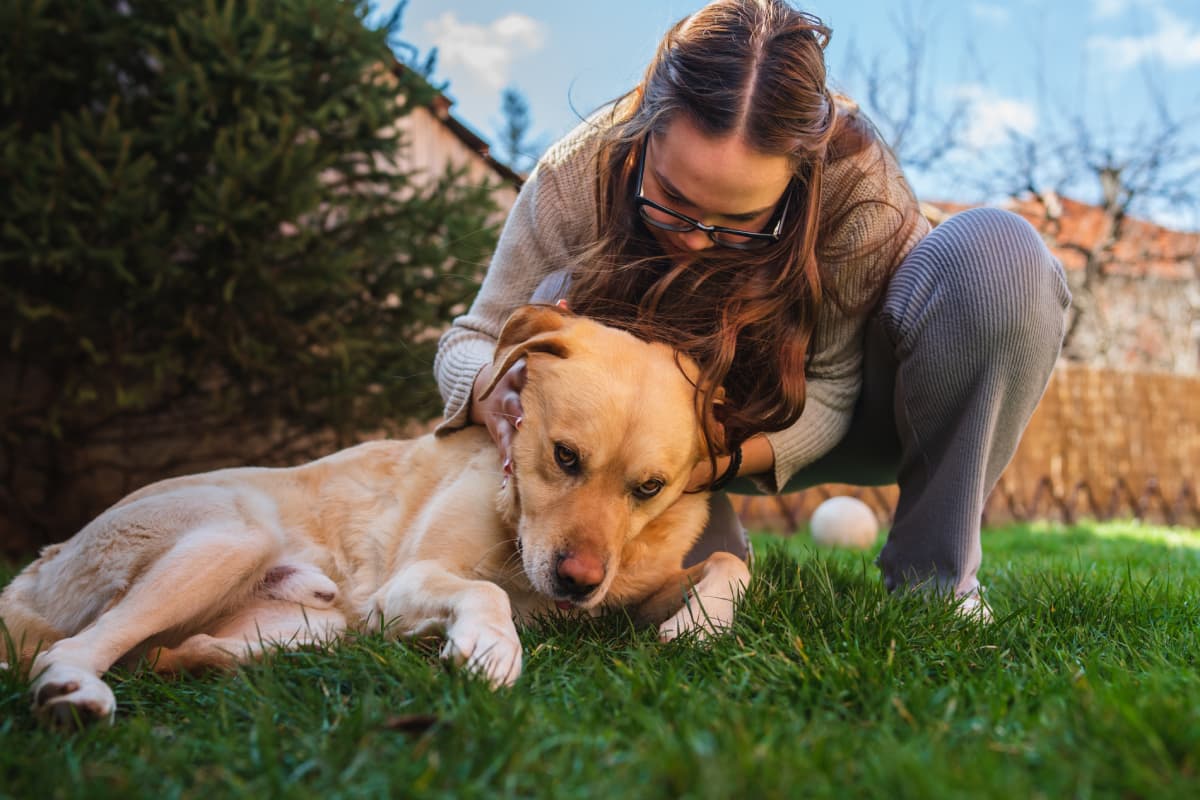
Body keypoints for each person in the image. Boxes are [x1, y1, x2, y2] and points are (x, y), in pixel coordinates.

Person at [434, 0, 1071, 617]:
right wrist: (495, 390)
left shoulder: (857, 186)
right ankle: (695, 540)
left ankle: (937, 584)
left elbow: (830, 396)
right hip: (651, 453)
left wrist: (711, 462)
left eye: (741, 221)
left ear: (800, 171)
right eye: (671, 200)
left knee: (998, 259)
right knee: (552, 305)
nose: (694, 238)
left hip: (841, 420)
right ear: (644, 132)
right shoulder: (576, 175)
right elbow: (471, 341)